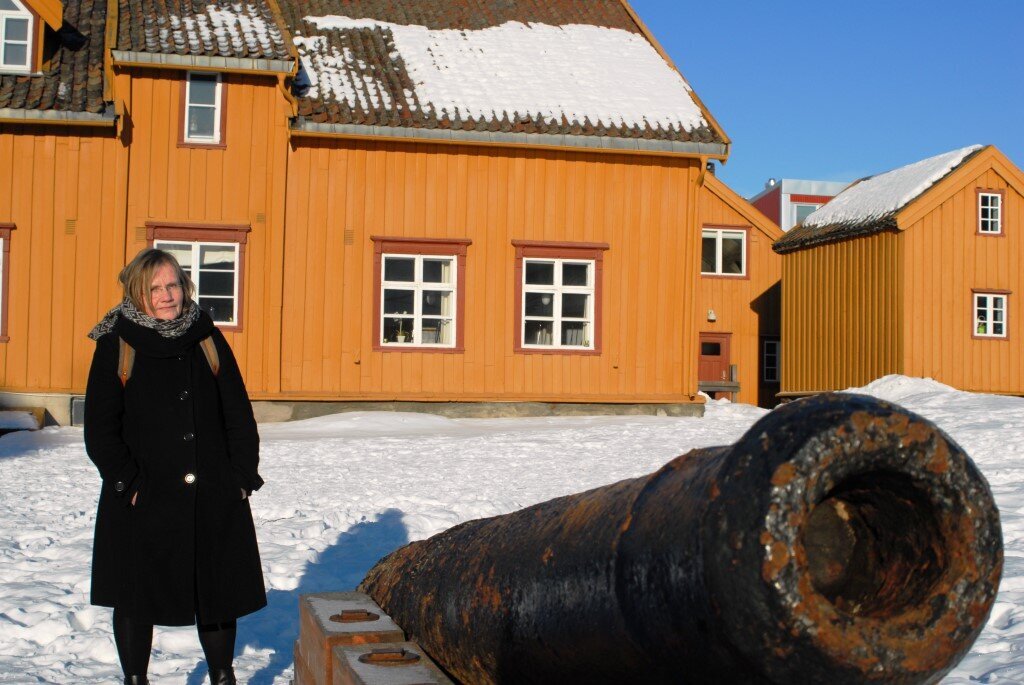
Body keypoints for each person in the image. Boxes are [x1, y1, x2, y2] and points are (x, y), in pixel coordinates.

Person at [85, 248, 266, 685]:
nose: (167, 296)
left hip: (212, 490)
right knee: (134, 596)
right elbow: (100, 429)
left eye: (173, 285)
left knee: (217, 590)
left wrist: (241, 476)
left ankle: (224, 676)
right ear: (137, 293)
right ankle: (135, 680)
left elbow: (237, 412)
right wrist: (128, 483)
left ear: (185, 286)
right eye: (155, 288)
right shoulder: (117, 342)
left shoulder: (206, 335)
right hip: (142, 496)